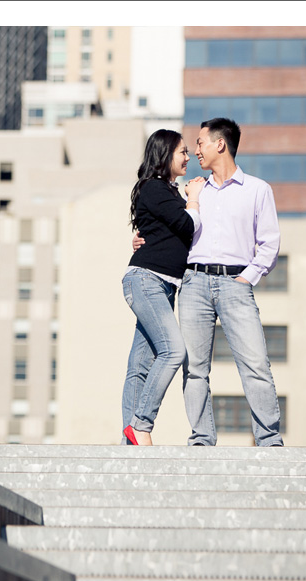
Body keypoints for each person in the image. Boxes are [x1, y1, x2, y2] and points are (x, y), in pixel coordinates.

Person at [133, 117, 284, 447]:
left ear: (220, 144)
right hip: (194, 284)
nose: (194, 150)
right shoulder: (191, 191)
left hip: (235, 284)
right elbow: (164, 225)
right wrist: (139, 238)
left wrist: (247, 278)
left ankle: (270, 441)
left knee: (256, 366)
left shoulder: (258, 190)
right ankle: (201, 439)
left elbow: (270, 243)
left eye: (199, 143)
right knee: (195, 369)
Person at [121, 129, 204, 446]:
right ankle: (141, 426)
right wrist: (193, 200)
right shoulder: (154, 189)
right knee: (173, 350)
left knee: (139, 367)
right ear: (164, 154)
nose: (187, 157)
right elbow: (186, 225)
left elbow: (168, 233)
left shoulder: (168, 193)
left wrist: (186, 200)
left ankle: (131, 442)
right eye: (182, 151)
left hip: (162, 286)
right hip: (147, 281)